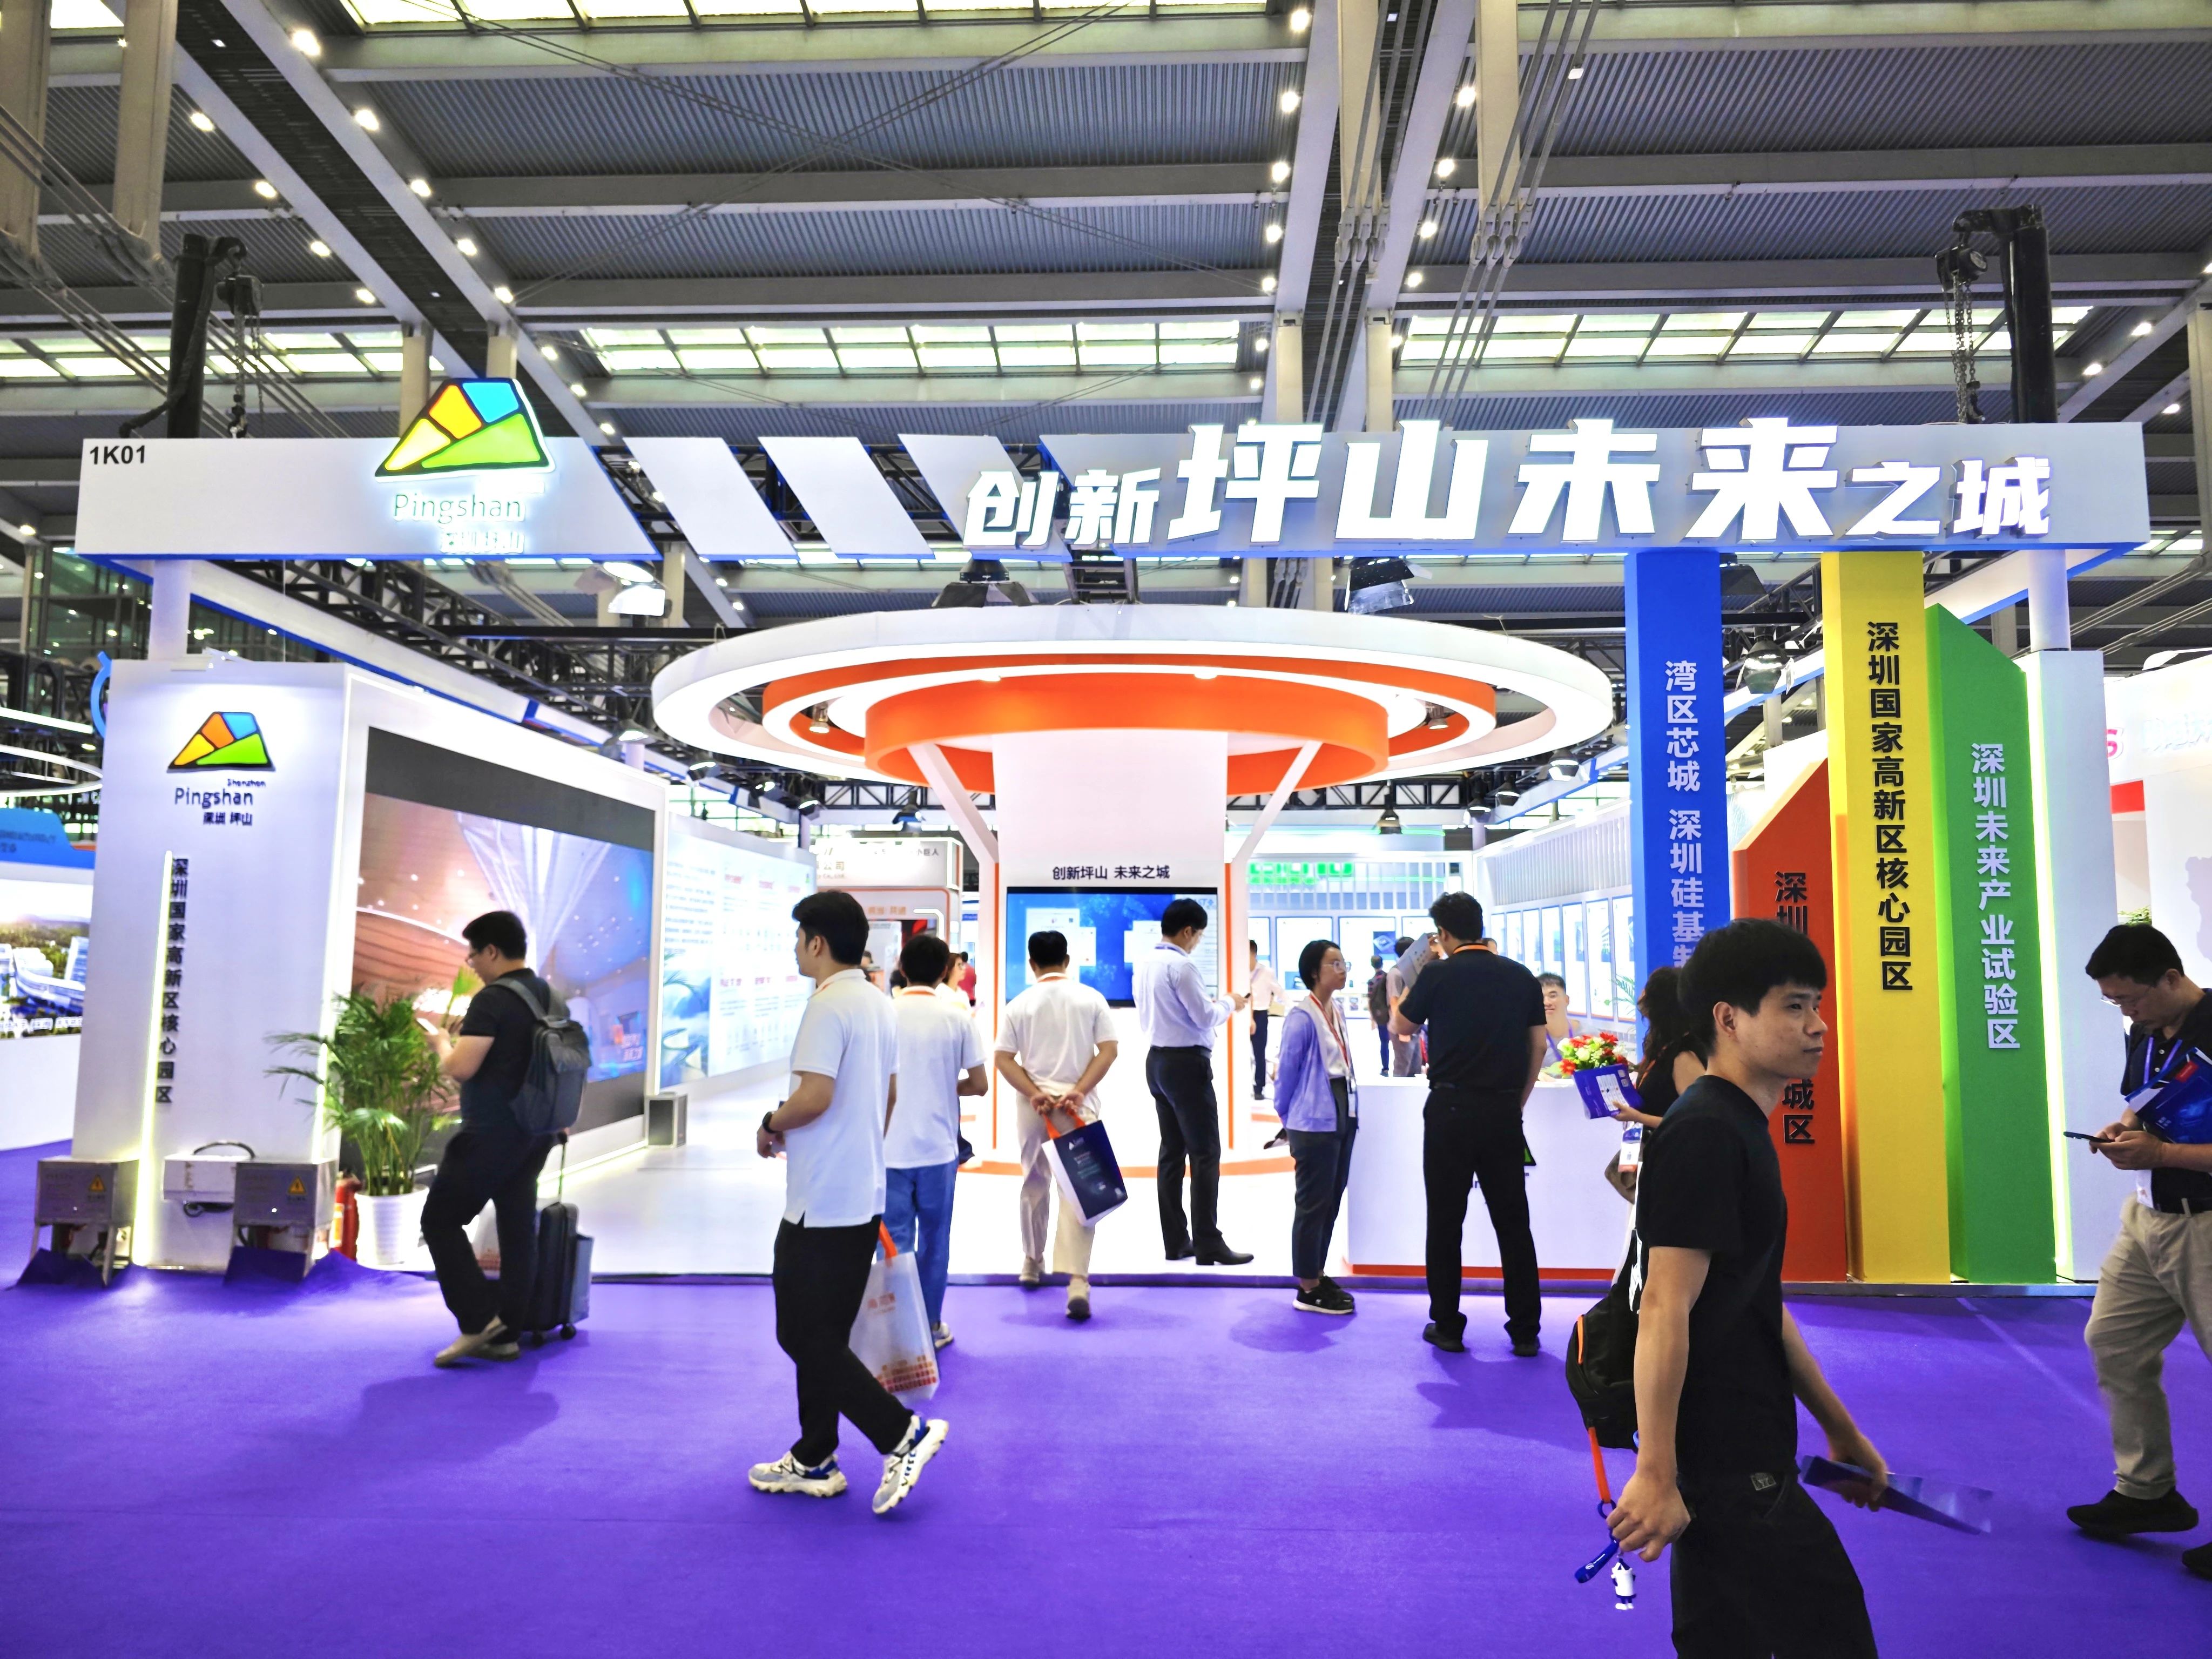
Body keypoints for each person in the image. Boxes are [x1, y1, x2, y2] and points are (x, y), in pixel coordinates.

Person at [1608, 918, 1885, 1657]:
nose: (1817, 1026)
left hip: (1743, 1440)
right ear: (1728, 1019)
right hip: (1726, 1454)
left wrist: (1839, 1426)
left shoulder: (1736, 1124)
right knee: (1831, 1632)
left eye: (1816, 1005)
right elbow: (1663, 1305)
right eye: (1793, 1006)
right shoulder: (1706, 1131)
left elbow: (1759, 1301)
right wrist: (1655, 1472)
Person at [748, 889, 948, 1516]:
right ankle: (815, 1455)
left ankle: (900, 1433)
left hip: (820, 1202)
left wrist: (770, 1124)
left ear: (817, 942)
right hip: (861, 1193)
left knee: (800, 1333)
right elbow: (887, 1095)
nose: (795, 949)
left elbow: (814, 1096)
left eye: (798, 938)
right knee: (825, 1334)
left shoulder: (828, 1004)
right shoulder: (877, 1002)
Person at [2067, 923, 2212, 1582]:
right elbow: (2146, 1103)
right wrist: (2124, 1131)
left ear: (2171, 979)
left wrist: (2163, 1154)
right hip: (2149, 1216)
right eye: (2114, 1002)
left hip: (2204, 1222)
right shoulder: (2148, 1032)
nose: (2125, 1012)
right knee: (2113, 1341)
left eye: (2129, 998)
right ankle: (2146, 1490)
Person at [1392, 893, 1545, 1355]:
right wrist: (1516, 1102)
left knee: (1445, 1220)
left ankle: (1448, 1325)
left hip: (1450, 1110)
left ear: (1442, 934)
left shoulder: (1437, 974)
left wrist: (1410, 978)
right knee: (1514, 1222)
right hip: (1503, 1111)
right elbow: (1538, 1046)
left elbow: (1401, 1027)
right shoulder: (1520, 975)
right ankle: (1525, 1330)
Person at [420, 910, 558, 1368]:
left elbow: (462, 1067)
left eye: (474, 954)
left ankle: (479, 1320)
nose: (472, 963)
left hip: (491, 1134)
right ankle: (506, 1336)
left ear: (493, 951)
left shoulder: (492, 1001)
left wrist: (441, 1044)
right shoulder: (549, 996)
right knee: (518, 1230)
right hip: (536, 1133)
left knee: (440, 1220)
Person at [995, 929, 1121, 1320]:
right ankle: (1078, 1282)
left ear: (1032, 963)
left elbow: (1003, 1059)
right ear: (1067, 961)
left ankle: (1032, 1261)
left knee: (1035, 1180)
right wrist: (1079, 1091)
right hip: (1078, 1109)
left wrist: (1035, 1093)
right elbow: (1109, 1051)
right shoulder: (1091, 998)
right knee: (1081, 1190)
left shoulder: (1019, 1004)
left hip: (1035, 1110)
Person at [1133, 896, 1253, 1266]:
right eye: (1199, 935)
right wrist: (1231, 1003)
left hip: (1158, 1061)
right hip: (1187, 1066)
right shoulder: (1182, 967)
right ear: (1188, 931)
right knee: (1205, 1154)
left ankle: (1176, 1241)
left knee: (1172, 1152)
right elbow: (1204, 1017)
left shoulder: (1145, 963)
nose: (1198, 941)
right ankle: (1208, 1242)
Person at [886, 932, 986, 1351]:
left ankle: (897, 1330)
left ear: (902, 968)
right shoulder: (957, 1017)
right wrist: (947, 1085)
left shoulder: (883, 1015)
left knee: (894, 1242)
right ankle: (929, 1325)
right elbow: (979, 1084)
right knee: (935, 1240)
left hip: (888, 1149)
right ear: (946, 972)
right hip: (939, 1149)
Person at [1274, 938, 1359, 1316]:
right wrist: (1288, 1120)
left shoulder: (1336, 1009)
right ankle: (1307, 1286)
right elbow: (1286, 1076)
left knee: (1331, 1198)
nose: (1342, 970)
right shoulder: (1301, 1017)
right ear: (1313, 972)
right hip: (1312, 1120)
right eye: (1334, 964)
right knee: (1313, 1203)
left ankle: (1317, 1272)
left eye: (1343, 964)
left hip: (1342, 1111)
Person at [1603, 966, 1705, 1202]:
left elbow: (1696, 1121)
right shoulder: (1664, 1045)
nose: (1640, 998)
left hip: (1676, 1165)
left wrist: (1638, 1117)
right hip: (1656, 1160)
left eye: (1646, 992)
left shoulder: (1684, 1056)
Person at [1249, 940, 1280, 1101]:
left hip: (1260, 1015)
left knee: (1259, 1053)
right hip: (1243, 1014)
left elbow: (1278, 991)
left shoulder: (1266, 972)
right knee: (1241, 1053)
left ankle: (1259, 1088)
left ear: (1254, 954)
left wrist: (1292, 1007)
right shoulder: (1239, 972)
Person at [1384, 934, 1419, 1076]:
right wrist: (1401, 1030)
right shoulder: (1396, 973)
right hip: (1401, 1027)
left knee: (1414, 1067)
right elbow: (1394, 1002)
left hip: (1412, 1025)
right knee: (1402, 1067)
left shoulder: (1409, 972)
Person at [1538, 972, 1579, 1063]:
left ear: (1566, 1000)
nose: (1546, 1002)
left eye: (1553, 996)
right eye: (1540, 997)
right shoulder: (1532, 1041)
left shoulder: (1589, 1035)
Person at [1366, 954, 1392, 1073]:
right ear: (1383, 963)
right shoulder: (1388, 977)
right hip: (1392, 1012)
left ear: (1372, 965)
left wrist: (1372, 1019)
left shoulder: (1371, 982)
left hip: (1381, 1015)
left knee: (1384, 1042)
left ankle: (1385, 1068)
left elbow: (1370, 1000)